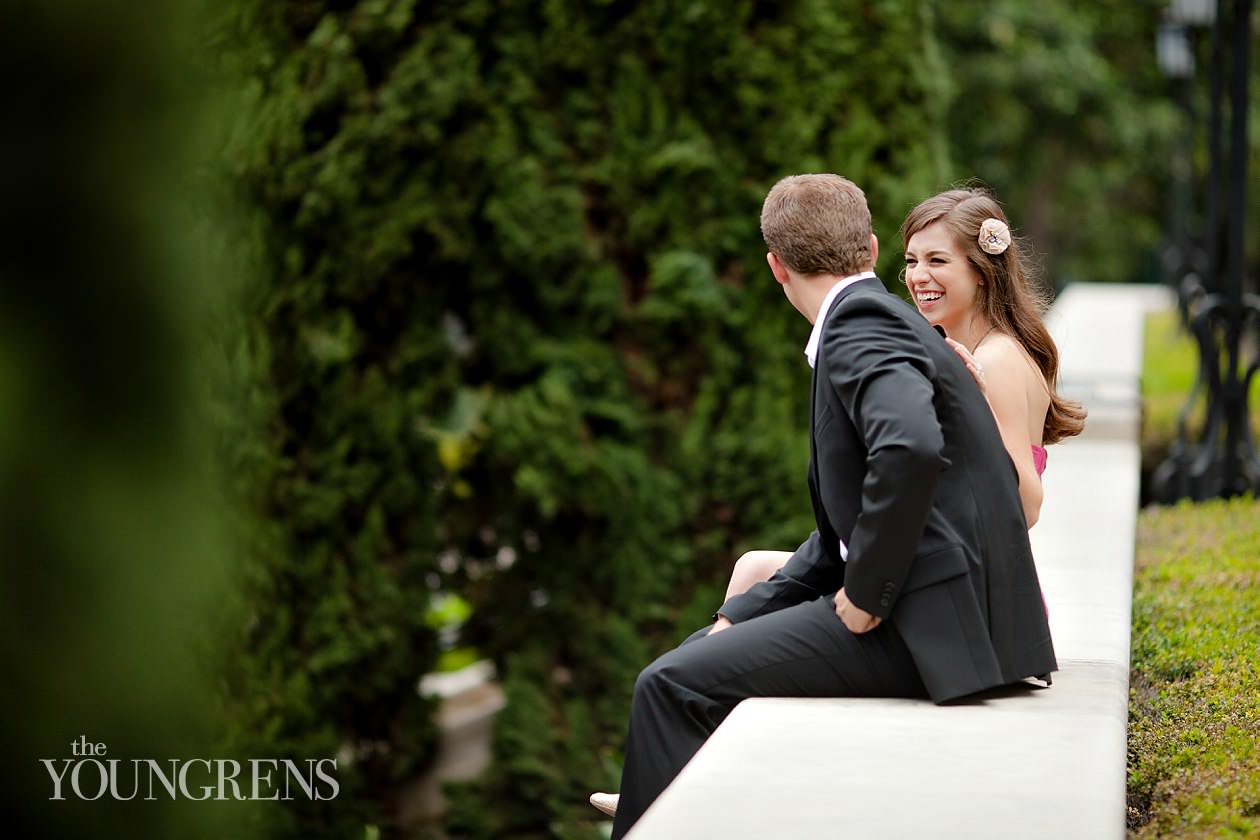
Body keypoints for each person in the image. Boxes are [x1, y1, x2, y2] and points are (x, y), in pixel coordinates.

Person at [599, 175, 1057, 838]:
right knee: (697, 654)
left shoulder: (859, 328)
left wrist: (868, 591)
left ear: (775, 266)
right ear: (871, 248)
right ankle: (656, 792)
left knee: (668, 686)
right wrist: (742, 615)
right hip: (944, 617)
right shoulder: (882, 318)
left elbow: (911, 446)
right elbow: (838, 535)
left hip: (923, 631)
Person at [720, 187, 1086, 601]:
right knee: (754, 570)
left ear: (981, 269)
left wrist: (972, 408)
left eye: (937, 261)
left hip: (968, 586)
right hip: (945, 566)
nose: (917, 276)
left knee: (754, 575)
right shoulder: (954, 346)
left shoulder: (996, 359)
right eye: (912, 261)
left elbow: (1026, 508)